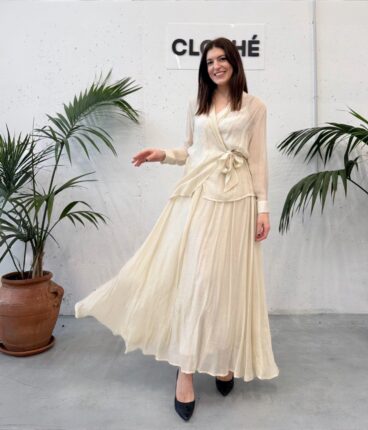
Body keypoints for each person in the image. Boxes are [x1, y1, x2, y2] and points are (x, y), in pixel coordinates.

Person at [74, 36, 279, 422]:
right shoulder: (197, 104)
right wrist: (163, 155)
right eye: (209, 61)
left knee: (228, 282)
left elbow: (257, 161)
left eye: (222, 59)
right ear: (204, 68)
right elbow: (192, 151)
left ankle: (223, 358)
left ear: (235, 62)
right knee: (198, 281)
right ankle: (185, 371)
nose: (216, 66)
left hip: (238, 201)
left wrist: (263, 209)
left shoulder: (255, 107)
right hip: (201, 195)